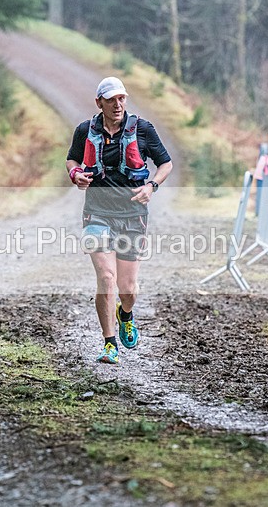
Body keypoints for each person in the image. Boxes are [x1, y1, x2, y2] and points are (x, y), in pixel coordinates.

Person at [66, 77, 173, 364]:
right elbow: (72, 160)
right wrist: (75, 175)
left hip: (132, 215)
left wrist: (152, 186)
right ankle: (109, 343)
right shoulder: (84, 130)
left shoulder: (143, 130)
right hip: (97, 212)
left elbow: (166, 163)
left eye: (122, 98)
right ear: (99, 102)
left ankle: (125, 314)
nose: (118, 104)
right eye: (111, 99)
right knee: (106, 278)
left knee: (128, 289)